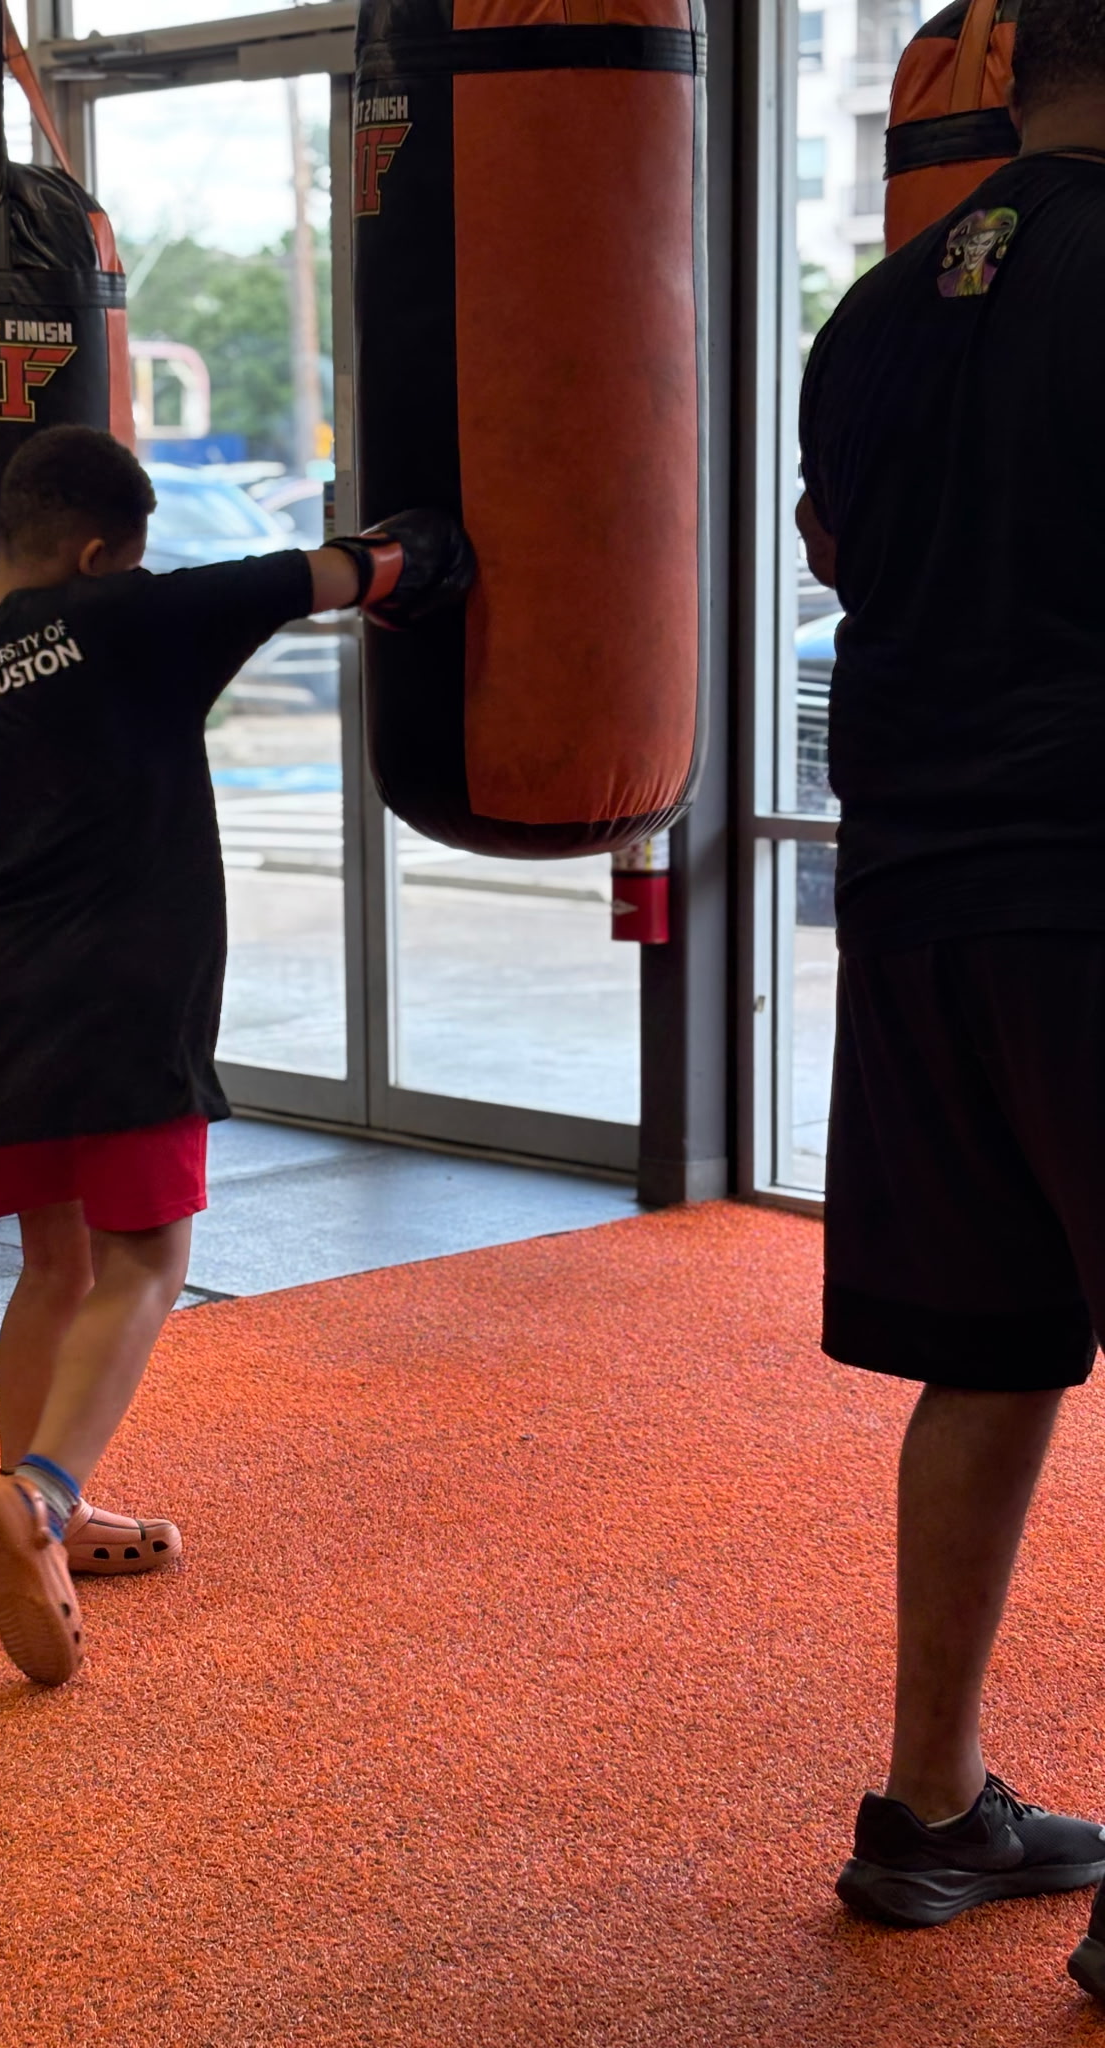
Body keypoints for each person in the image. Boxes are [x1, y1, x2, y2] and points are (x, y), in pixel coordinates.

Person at [0, 423, 472, 1690]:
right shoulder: (134, 618)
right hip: (124, 992)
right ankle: (43, 1498)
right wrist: (427, 556)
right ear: (103, 554)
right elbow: (340, 570)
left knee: (53, 1260)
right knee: (150, 1257)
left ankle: (32, 1502)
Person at [797, 0, 1105, 1984]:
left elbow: (844, 564)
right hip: (1096, 886)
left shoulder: (877, 309)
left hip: (916, 904)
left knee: (989, 1350)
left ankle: (930, 1808)